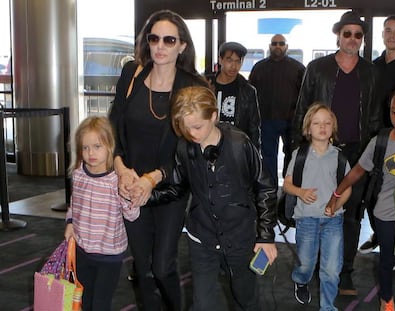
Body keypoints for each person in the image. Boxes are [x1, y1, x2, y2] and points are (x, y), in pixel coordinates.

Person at [108, 10, 209, 311]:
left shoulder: (194, 86)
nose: (160, 46)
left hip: (169, 187)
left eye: (169, 39)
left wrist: (152, 178)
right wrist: (121, 169)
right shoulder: (132, 75)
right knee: (142, 267)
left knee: (163, 265)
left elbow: (191, 147)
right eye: (154, 38)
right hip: (130, 184)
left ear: (182, 46)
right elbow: (113, 126)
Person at [151, 85, 278, 310]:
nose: (192, 134)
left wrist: (266, 236)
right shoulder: (184, 147)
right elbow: (178, 188)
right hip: (202, 238)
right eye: (185, 128)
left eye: (197, 127)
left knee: (245, 298)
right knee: (203, 304)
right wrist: (148, 197)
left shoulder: (240, 144)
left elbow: (265, 188)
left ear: (214, 116)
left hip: (240, 237)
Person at [292, 11, 382, 295]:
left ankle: (344, 273)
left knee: (351, 214)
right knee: (316, 211)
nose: (352, 39)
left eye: (358, 34)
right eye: (347, 33)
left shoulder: (371, 72)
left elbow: (376, 116)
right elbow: (302, 109)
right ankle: (314, 268)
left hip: (357, 153)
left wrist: (373, 154)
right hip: (321, 150)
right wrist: (299, 150)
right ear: (338, 35)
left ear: (362, 38)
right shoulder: (317, 68)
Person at [325, 77, 395, 311]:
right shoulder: (381, 141)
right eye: (394, 112)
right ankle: (387, 299)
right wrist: (337, 193)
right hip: (387, 212)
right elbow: (357, 171)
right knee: (386, 260)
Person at [64, 116, 140, 311]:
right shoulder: (79, 174)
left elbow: (132, 216)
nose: (90, 153)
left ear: (110, 147)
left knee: (100, 304)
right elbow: (74, 203)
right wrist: (70, 223)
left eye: (97, 146)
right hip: (82, 251)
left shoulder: (116, 180)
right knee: (84, 301)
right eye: (85, 148)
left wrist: (129, 197)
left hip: (109, 255)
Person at [284, 103, 351, 310]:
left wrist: (336, 204)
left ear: (333, 127)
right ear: (308, 128)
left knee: (331, 269)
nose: (322, 127)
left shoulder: (339, 157)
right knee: (306, 264)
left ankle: (328, 307)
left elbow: (347, 188)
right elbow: (286, 185)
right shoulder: (300, 154)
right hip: (306, 220)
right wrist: (301, 192)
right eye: (317, 123)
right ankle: (301, 279)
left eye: (327, 123)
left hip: (333, 220)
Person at [359, 15, 395, 255]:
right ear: (382, 34)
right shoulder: (374, 66)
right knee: (374, 190)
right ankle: (380, 234)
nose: (392, 35)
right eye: (388, 30)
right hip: (377, 138)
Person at [249, 34, 305, 183]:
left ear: (286, 46)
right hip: (266, 120)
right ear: (270, 46)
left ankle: (289, 190)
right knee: (268, 156)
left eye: (281, 43)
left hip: (291, 121)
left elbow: (305, 95)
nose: (278, 46)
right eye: (275, 43)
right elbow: (250, 93)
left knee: (292, 154)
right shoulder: (259, 68)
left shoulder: (298, 68)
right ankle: (270, 192)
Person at [209, 41, 261, 149]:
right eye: (229, 60)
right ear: (220, 60)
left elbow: (254, 127)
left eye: (238, 61)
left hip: (236, 146)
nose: (234, 66)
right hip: (208, 143)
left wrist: (254, 153)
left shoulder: (248, 90)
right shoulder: (207, 85)